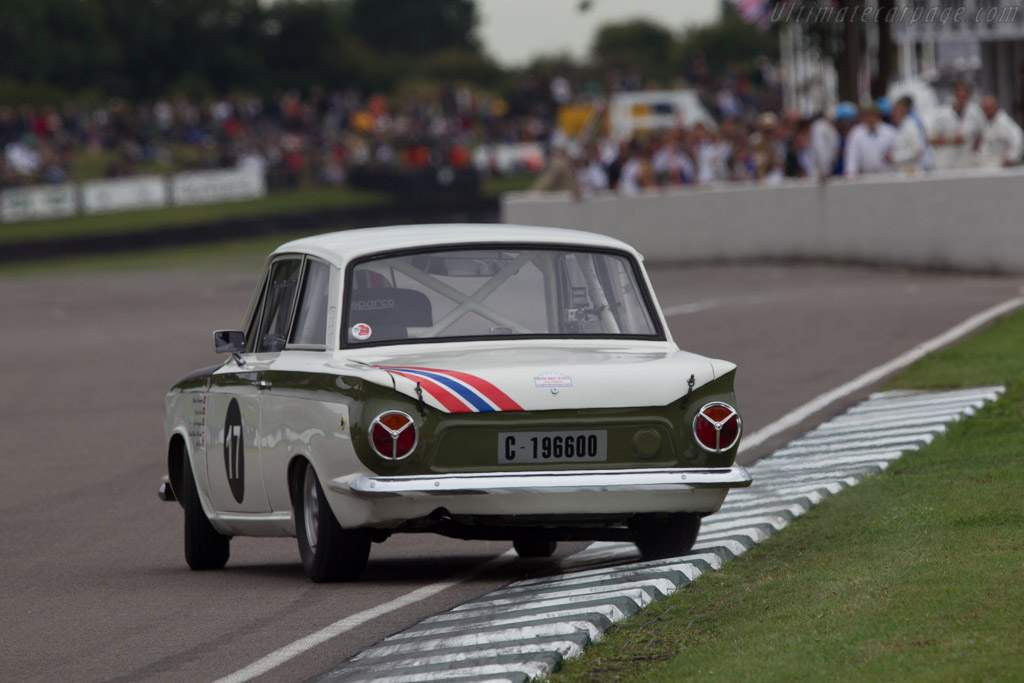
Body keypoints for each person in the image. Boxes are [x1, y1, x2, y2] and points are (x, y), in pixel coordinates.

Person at [930, 81, 985, 170]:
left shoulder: (975, 113)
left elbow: (982, 133)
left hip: (967, 162)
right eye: (959, 92)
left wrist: (975, 150)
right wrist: (952, 140)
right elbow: (931, 139)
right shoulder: (942, 114)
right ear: (954, 93)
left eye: (965, 93)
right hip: (945, 163)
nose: (962, 96)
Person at [843, 103, 897, 178]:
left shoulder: (890, 132)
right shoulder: (856, 133)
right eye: (868, 115)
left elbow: (897, 153)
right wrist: (851, 174)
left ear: (878, 116)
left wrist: (893, 158)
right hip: (866, 177)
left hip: (888, 176)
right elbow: (852, 157)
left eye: (873, 115)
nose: (871, 119)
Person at [976, 95, 1024, 168]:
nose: (986, 110)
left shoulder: (1005, 122)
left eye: (988, 108)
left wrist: (1011, 157)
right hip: (986, 163)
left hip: (1001, 165)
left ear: (995, 106)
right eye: (984, 108)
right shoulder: (985, 121)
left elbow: (1018, 137)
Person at [889, 96, 932, 173]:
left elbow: (918, 151)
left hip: (913, 171)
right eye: (893, 111)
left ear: (904, 112)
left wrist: (896, 157)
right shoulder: (898, 127)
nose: (894, 113)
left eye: (897, 111)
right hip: (902, 171)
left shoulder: (911, 127)